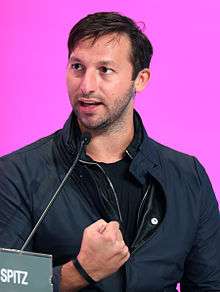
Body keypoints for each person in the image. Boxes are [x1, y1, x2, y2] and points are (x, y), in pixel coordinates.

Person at [0, 11, 219, 292]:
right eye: (78, 67)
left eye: (105, 70)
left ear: (140, 79)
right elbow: (5, 279)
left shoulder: (189, 176)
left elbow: (209, 285)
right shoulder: (17, 173)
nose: (86, 86)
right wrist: (79, 271)